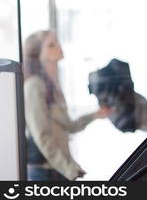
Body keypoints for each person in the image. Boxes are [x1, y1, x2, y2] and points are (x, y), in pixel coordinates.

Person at [23, 30, 113, 181]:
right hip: (45, 172)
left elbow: (69, 126)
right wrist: (68, 168)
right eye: (51, 45)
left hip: (57, 169)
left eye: (57, 42)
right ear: (39, 55)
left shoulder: (52, 86)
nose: (59, 46)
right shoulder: (34, 86)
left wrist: (97, 115)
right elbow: (42, 136)